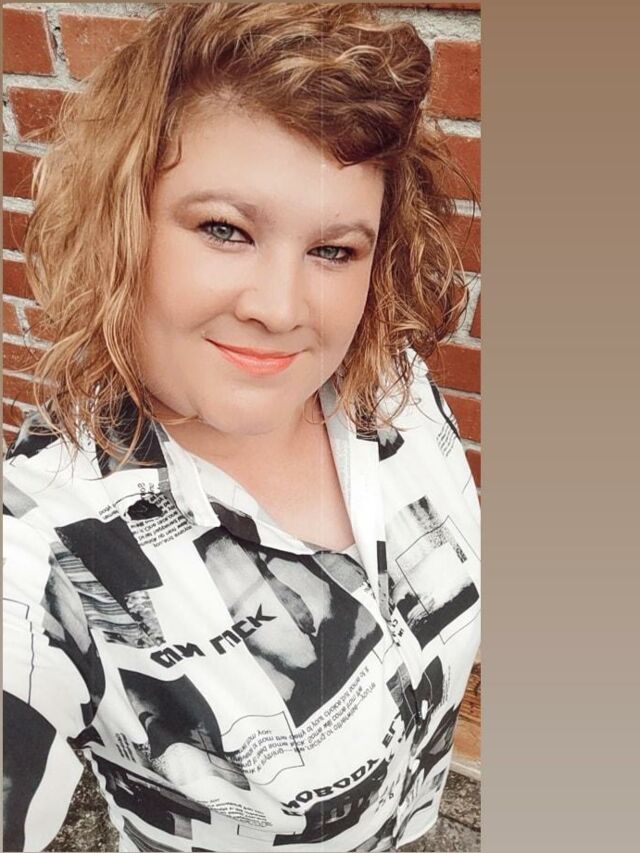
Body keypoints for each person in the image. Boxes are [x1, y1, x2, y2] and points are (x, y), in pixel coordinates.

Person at [2, 3, 481, 851]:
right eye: (225, 230)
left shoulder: (394, 384)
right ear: (123, 223)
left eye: (333, 250)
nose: (282, 309)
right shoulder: (44, 556)